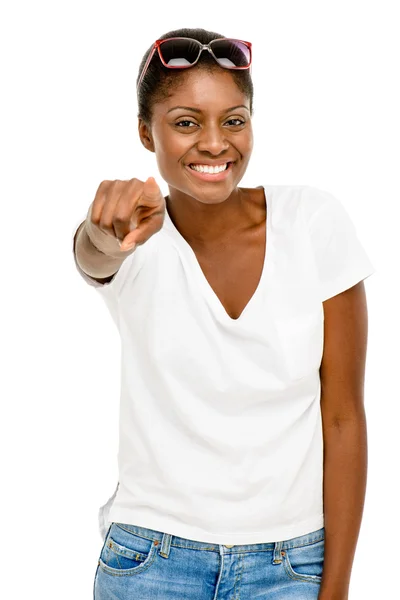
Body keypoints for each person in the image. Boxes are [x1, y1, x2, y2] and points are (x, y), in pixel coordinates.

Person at [72, 27, 375, 600]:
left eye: (233, 120)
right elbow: (93, 256)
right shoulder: (133, 233)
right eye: (186, 122)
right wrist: (102, 233)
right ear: (146, 131)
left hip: (292, 564)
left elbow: (344, 419)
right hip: (149, 561)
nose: (214, 143)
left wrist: (335, 589)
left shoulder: (312, 222)